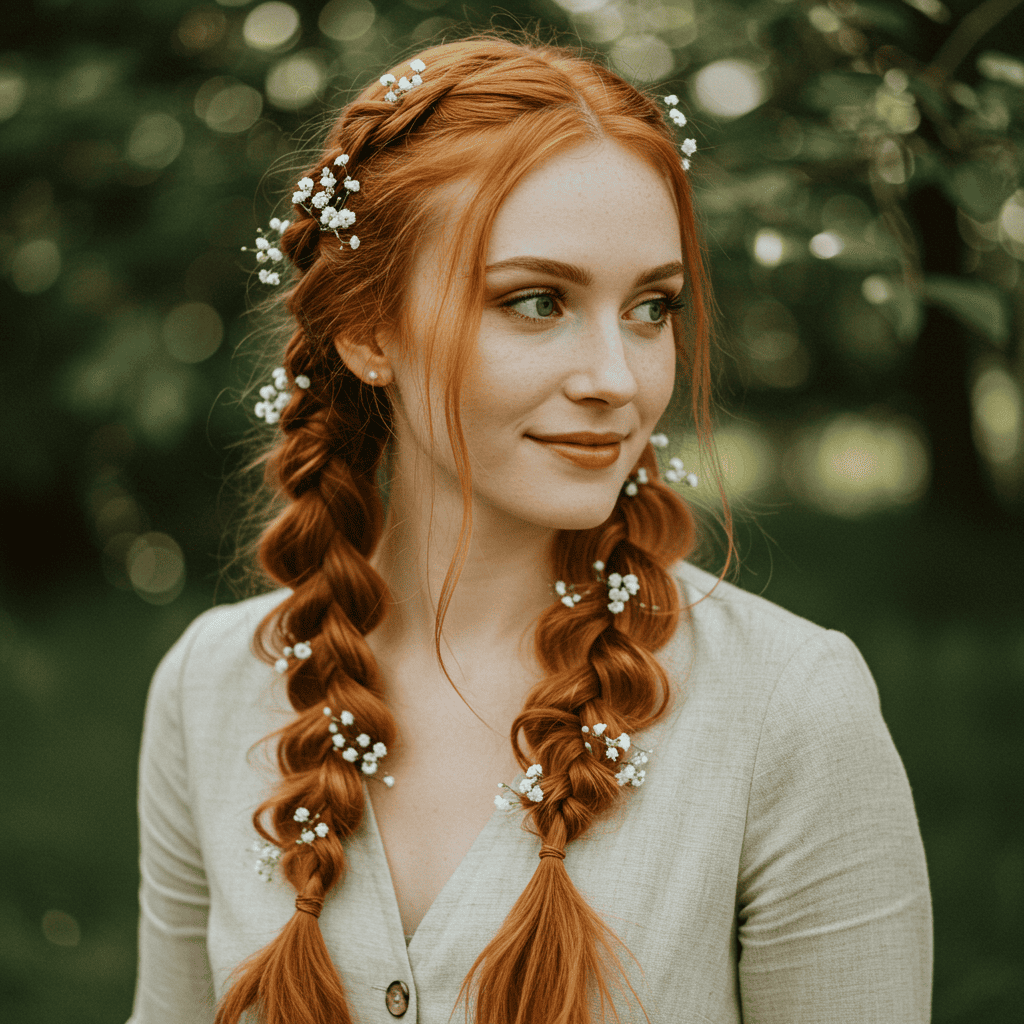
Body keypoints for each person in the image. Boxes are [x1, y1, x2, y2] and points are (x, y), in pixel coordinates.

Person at [127, 34, 932, 1024]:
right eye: (537, 301)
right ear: (370, 330)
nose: (616, 377)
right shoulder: (210, 689)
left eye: (649, 308)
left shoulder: (788, 709)